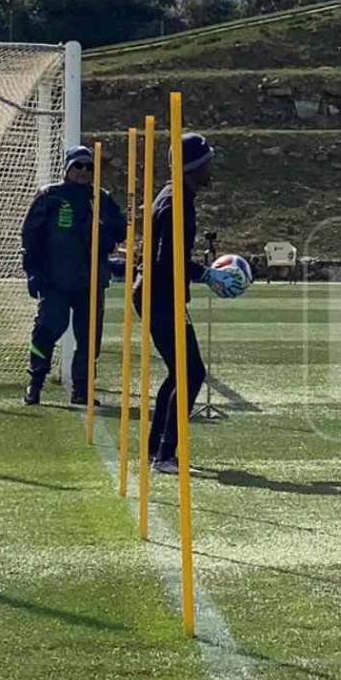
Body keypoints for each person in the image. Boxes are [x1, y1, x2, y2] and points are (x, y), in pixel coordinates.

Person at [133, 133, 246, 475]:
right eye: (207, 161)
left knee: (180, 370)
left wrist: (199, 273)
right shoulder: (176, 200)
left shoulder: (179, 196)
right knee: (191, 372)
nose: (211, 167)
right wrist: (207, 274)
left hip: (160, 292)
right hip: (159, 293)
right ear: (194, 166)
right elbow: (168, 259)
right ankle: (165, 455)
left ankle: (156, 449)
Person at [21, 144, 126, 406]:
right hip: (55, 281)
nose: (83, 171)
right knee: (46, 331)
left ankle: (82, 390)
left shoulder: (101, 198)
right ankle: (35, 383)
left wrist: (105, 236)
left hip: (90, 283)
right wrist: (32, 272)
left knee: (89, 338)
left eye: (89, 166)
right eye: (78, 165)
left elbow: (120, 231)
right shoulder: (49, 196)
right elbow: (30, 236)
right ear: (67, 168)